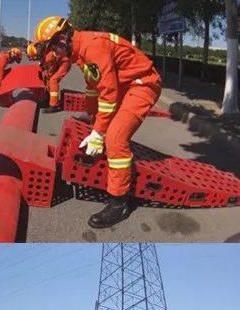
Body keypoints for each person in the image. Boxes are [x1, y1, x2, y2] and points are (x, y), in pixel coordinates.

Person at [33, 15, 162, 228]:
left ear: (63, 37)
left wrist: (98, 133)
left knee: (115, 139)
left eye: (52, 46)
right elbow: (94, 87)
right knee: (107, 129)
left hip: (142, 85)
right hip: (126, 85)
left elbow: (109, 95)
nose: (53, 53)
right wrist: (91, 116)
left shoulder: (92, 48)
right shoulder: (80, 52)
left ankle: (119, 202)